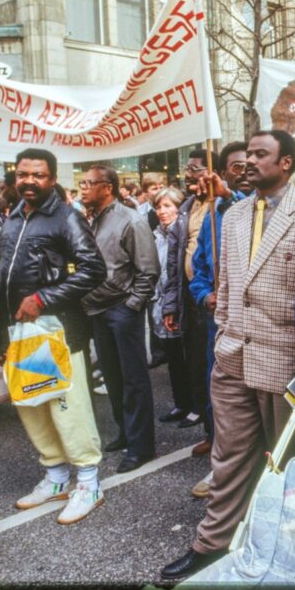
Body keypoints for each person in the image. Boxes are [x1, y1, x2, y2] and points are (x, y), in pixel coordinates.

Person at [161, 130, 295, 580]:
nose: (248, 161)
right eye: (247, 153)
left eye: (260, 154)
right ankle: (212, 545)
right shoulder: (229, 216)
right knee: (228, 460)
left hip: (285, 363)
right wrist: (224, 337)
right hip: (232, 358)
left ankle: (289, 552)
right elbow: (228, 287)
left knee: (288, 463)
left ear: (286, 163)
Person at [0, 148, 107, 525]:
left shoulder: (66, 218)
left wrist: (43, 298)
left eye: (38, 175)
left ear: (53, 179)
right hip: (20, 332)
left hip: (57, 330)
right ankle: (57, 478)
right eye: (23, 173)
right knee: (32, 405)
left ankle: (88, 482)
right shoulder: (11, 219)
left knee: (67, 407)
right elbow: (2, 276)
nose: (29, 181)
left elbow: (93, 269)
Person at [79, 164, 161, 473]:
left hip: (121, 310)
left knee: (133, 379)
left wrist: (131, 306)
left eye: (90, 183)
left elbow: (149, 269)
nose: (84, 188)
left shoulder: (130, 220)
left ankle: (141, 446)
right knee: (113, 377)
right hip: (98, 310)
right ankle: (125, 433)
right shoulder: (93, 219)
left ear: (108, 188)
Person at [186, 140, 251, 497]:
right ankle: (222, 465)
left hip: (256, 322)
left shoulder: (259, 208)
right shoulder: (212, 218)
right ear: (223, 171)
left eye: (249, 165)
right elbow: (198, 271)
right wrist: (203, 294)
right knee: (221, 395)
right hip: (219, 321)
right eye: (236, 167)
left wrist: (230, 197)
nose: (244, 172)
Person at [161, 149, 214, 456]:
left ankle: (222, 435)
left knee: (216, 371)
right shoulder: (187, 207)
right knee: (198, 368)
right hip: (189, 298)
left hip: (213, 299)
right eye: (189, 169)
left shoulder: (225, 205)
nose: (191, 174)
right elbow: (173, 261)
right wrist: (170, 304)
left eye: (197, 168)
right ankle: (209, 429)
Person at [151, 187, 194, 427]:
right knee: (174, 358)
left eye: (167, 206)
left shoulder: (184, 232)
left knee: (188, 358)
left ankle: (195, 406)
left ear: (179, 206)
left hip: (181, 304)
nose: (162, 211)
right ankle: (181, 403)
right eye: (158, 207)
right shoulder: (157, 235)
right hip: (162, 303)